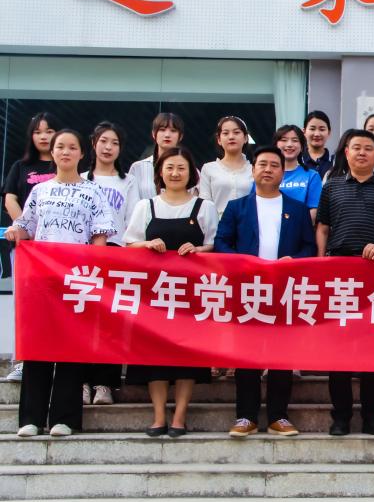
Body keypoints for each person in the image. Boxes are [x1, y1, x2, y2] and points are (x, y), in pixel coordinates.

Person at [7, 129, 115, 437]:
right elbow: (26, 227)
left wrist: (94, 269)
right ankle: (31, 418)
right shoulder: (39, 191)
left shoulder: (94, 191)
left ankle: (64, 419)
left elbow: (100, 235)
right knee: (38, 346)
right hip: (42, 280)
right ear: (52, 153)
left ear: (82, 153)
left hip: (77, 280)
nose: (65, 152)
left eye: (72, 147)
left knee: (71, 347)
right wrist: (15, 232)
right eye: (60, 147)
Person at [214, 146, 316, 438]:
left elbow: (309, 247)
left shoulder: (297, 209)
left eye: (274, 165)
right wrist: (242, 263)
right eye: (263, 164)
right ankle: (246, 416)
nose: (268, 169)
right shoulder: (237, 207)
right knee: (246, 356)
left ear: (283, 173)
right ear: (253, 170)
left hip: (283, 291)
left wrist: (294, 261)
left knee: (281, 356)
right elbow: (222, 242)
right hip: (248, 290)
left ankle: (278, 416)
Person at [317, 130, 374, 436]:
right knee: (338, 350)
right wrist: (320, 262)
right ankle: (341, 417)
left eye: (368, 148)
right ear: (346, 152)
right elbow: (323, 227)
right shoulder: (331, 186)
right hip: (340, 275)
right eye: (355, 147)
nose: (361, 153)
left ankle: (372, 417)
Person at [123, 147, 218, 438]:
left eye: (181, 168)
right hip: (154, 295)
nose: (175, 173)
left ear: (192, 174)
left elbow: (213, 245)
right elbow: (129, 243)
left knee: (187, 358)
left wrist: (198, 249)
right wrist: (147, 245)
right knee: (155, 358)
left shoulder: (204, 207)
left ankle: (179, 416)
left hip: (191, 294)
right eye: (169, 168)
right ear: (160, 173)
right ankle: (158, 416)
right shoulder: (146, 206)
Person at [81, 121, 141, 406]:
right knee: (82, 320)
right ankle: (81, 381)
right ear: (94, 143)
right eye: (103, 141)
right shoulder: (81, 178)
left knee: (110, 321)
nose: (108, 147)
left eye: (114, 143)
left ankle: (105, 383)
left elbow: (132, 220)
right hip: (82, 255)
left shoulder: (127, 181)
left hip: (116, 253)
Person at [3, 112, 59, 383]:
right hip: (28, 248)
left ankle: (57, 357)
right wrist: (27, 229)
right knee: (26, 305)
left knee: (58, 307)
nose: (44, 137)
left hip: (59, 251)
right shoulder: (21, 166)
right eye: (38, 132)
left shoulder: (65, 165)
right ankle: (22, 361)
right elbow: (10, 199)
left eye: (49, 131)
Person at [198, 116, 253, 217]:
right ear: (219, 139)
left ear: (245, 138)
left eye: (236, 132)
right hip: (218, 223)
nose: (231, 137)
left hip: (247, 223)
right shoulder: (208, 169)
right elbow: (205, 205)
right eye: (225, 133)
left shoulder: (254, 170)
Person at [129, 112, 185, 201]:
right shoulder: (138, 168)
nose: (167, 135)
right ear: (153, 134)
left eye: (173, 130)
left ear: (180, 136)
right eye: (162, 130)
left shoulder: (189, 169)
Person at [273, 125, 323, 222]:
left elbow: (314, 210)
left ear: (302, 147)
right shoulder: (266, 174)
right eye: (284, 140)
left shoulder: (312, 176)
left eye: (295, 140)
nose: (289, 144)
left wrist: (292, 226)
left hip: (299, 228)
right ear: (276, 145)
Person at [301, 111, 334, 178]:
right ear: (304, 132)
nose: (317, 134)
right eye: (312, 129)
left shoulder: (335, 162)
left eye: (322, 129)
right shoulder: (297, 160)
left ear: (329, 132)